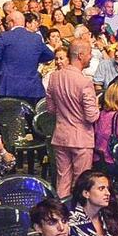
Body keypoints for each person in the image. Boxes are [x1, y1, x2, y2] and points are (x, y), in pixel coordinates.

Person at [44, 39, 101, 198]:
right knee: (82, 183)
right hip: (81, 139)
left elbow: (51, 109)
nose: (91, 57)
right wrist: (97, 108)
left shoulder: (54, 77)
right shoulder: (85, 82)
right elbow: (91, 117)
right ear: (81, 55)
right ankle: (78, 216)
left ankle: (62, 215)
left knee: (62, 180)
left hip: (61, 136)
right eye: (90, 53)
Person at [0, 8, 52, 102]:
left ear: (11, 22)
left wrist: (0, 73)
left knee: (9, 116)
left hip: (9, 87)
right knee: (31, 116)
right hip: (32, 88)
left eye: (6, 23)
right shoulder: (36, 38)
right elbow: (50, 55)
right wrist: (33, 59)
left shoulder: (4, 36)